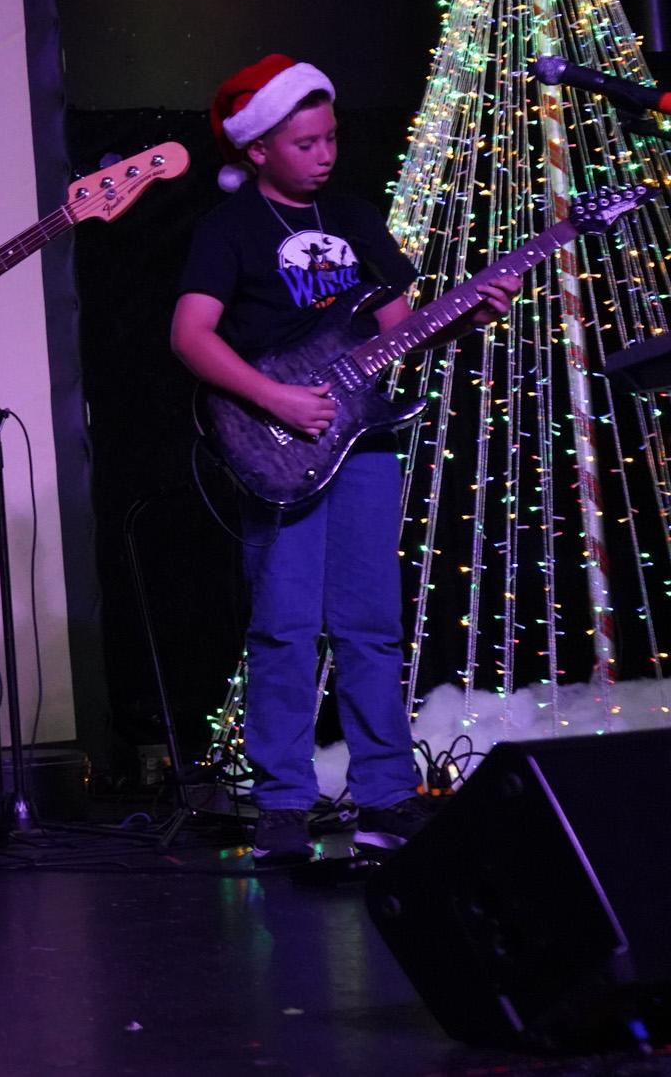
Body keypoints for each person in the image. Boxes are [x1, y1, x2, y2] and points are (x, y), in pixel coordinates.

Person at [170, 55, 517, 866]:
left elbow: (404, 328)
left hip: (364, 439)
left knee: (372, 625)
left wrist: (470, 313)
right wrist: (274, 397)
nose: (324, 153)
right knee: (285, 626)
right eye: (304, 141)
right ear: (258, 148)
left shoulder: (355, 216)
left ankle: (387, 795)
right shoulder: (229, 229)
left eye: (330, 138)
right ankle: (284, 803)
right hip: (278, 439)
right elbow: (190, 336)